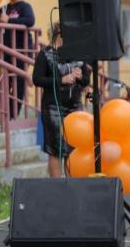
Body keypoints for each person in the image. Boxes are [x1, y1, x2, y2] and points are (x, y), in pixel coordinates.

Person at [31, 23, 90, 177]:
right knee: (56, 149)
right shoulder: (45, 54)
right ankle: (57, 186)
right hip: (53, 108)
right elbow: (37, 79)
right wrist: (61, 80)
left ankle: (71, 185)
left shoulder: (78, 54)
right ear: (58, 34)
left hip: (75, 107)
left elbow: (86, 80)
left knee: (73, 148)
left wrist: (80, 77)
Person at [0, 0, 35, 119]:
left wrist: (9, 21)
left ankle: (12, 116)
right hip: (6, 51)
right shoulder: (3, 8)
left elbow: (30, 21)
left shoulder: (25, 7)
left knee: (19, 84)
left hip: (22, 51)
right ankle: (8, 114)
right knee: (1, 85)